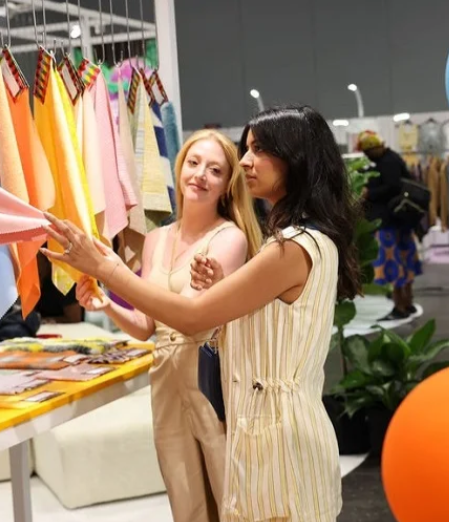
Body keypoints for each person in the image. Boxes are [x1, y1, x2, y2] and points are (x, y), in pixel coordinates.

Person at [44, 105, 360, 522]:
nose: (245, 162)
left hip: (275, 434)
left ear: (296, 158)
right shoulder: (300, 241)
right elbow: (262, 321)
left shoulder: (289, 247)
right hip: (266, 424)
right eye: (246, 150)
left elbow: (193, 318)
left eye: (259, 150)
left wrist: (107, 269)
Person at [74, 129, 260, 522]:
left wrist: (112, 271)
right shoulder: (156, 239)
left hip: (211, 378)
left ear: (227, 185)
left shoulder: (230, 238)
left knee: (230, 493)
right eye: (194, 163)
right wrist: (107, 304)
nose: (201, 175)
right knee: (183, 494)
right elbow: (147, 326)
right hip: (165, 379)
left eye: (215, 170)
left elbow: (188, 314)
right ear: (179, 168)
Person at [356, 130, 422, 321]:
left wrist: (369, 193)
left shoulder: (388, 162)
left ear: (374, 148)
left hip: (389, 223)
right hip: (401, 221)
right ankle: (407, 302)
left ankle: (400, 306)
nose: (367, 156)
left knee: (393, 265)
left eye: (368, 152)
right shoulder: (391, 159)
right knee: (405, 262)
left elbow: (392, 187)